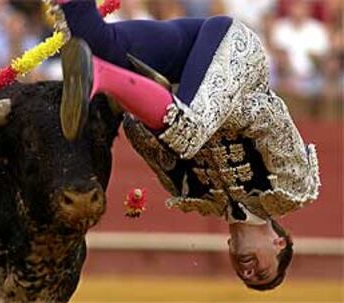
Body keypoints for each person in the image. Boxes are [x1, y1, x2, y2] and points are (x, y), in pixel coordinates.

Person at [52, 0, 320, 290]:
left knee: (95, 43)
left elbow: (137, 131)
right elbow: (269, 114)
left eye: (247, 280)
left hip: (188, 71)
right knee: (189, 133)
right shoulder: (291, 189)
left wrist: (161, 109)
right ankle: (101, 76)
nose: (248, 275)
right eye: (264, 273)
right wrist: (206, 117)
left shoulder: (199, 198)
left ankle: (99, 60)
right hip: (234, 50)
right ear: (279, 242)